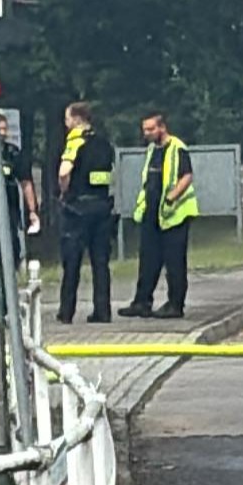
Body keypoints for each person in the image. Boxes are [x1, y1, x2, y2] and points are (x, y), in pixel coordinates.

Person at [121, 111, 197, 319]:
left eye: (151, 129)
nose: (147, 133)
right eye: (145, 129)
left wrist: (172, 197)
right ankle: (141, 302)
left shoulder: (177, 148)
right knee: (148, 260)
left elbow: (186, 176)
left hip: (175, 214)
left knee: (174, 262)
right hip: (153, 213)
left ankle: (175, 305)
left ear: (162, 127)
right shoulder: (152, 150)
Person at [55, 101, 115, 324]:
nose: (66, 123)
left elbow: (64, 171)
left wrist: (64, 190)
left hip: (77, 208)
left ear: (77, 120)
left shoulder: (75, 141)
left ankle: (66, 311)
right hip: (101, 207)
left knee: (72, 261)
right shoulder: (104, 143)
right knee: (100, 262)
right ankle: (103, 310)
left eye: (67, 118)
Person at [0, 116, 40, 268]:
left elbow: (26, 182)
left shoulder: (12, 152)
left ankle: (12, 269)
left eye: (5, 129)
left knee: (11, 239)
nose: (3, 133)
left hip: (9, 205)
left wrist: (32, 210)